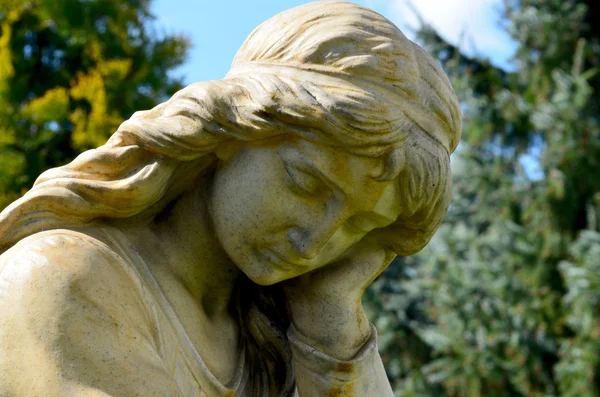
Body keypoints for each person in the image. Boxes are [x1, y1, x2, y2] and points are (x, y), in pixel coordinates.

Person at [0, 1, 461, 396]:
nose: (313, 242)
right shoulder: (65, 279)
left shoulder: (273, 340)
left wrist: (333, 322)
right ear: (229, 129)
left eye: (357, 226)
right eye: (305, 183)